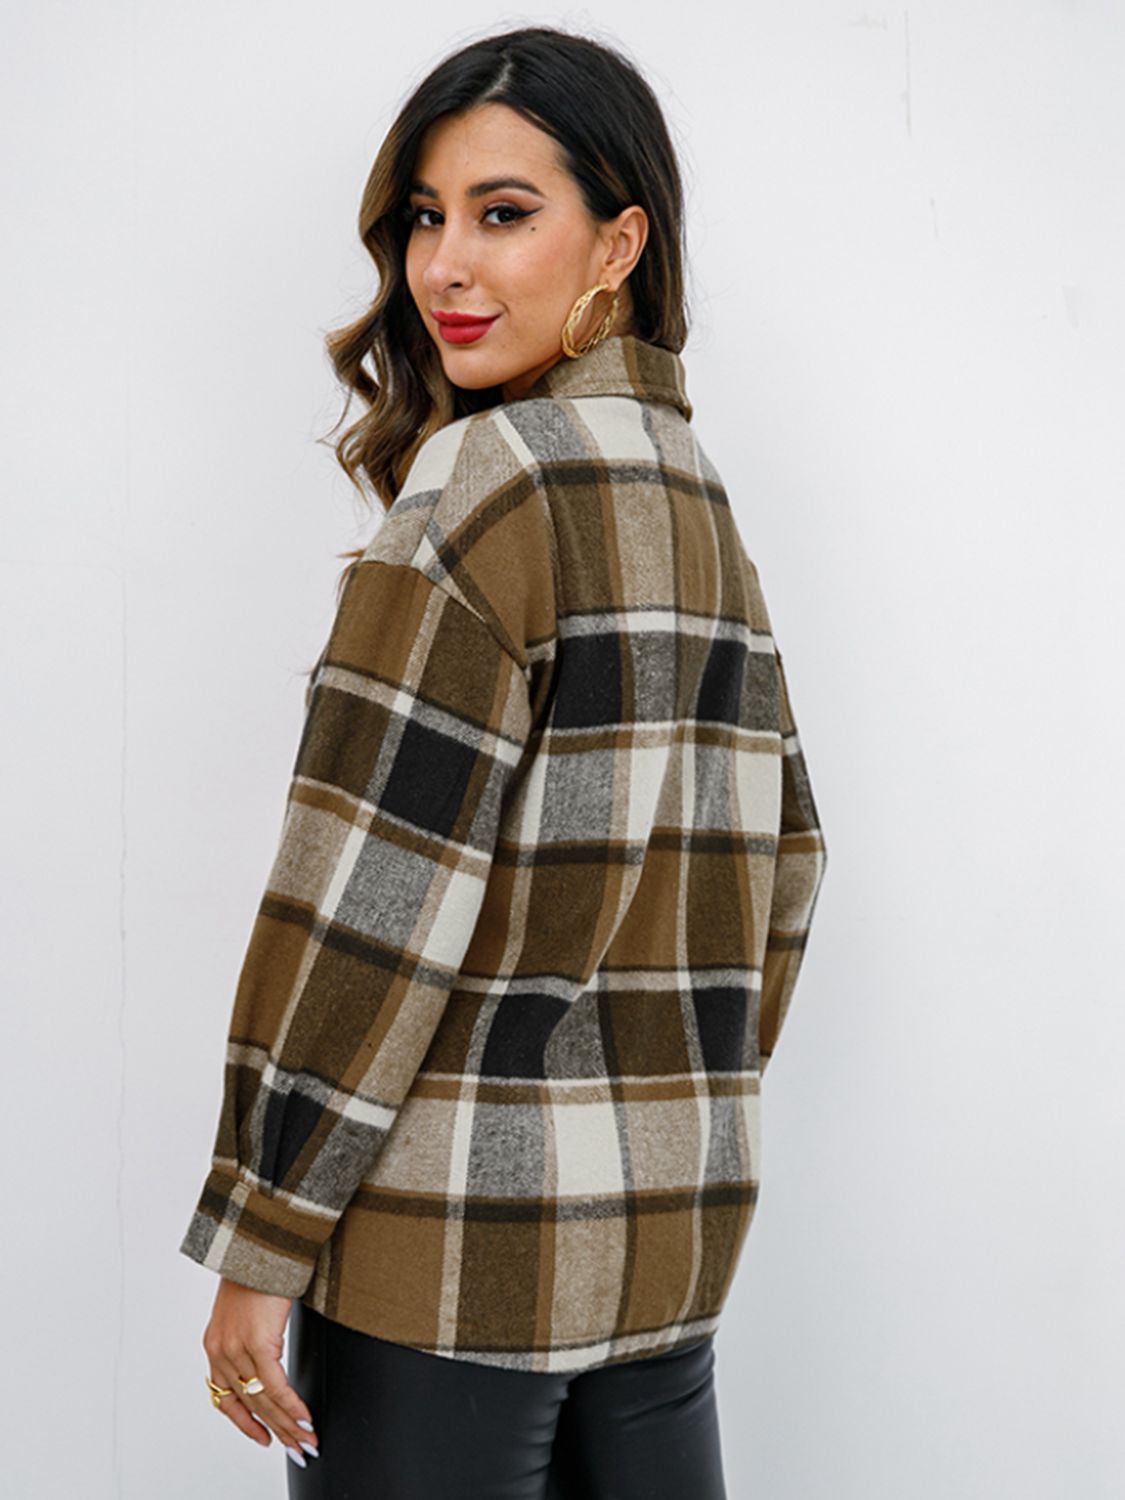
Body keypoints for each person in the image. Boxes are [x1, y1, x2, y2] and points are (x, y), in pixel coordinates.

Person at [178, 23, 828, 1499]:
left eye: (504, 212)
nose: (445, 268)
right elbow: (789, 868)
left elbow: (367, 907)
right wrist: (656, 1107)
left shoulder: (484, 482)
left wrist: (262, 1236)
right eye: (426, 217)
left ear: (620, 243)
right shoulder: (696, 497)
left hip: (446, 1263)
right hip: (666, 1253)